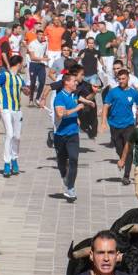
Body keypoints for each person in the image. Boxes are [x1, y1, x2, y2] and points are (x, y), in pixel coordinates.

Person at [0, 55, 29, 178]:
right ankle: (7, 163)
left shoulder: (19, 77)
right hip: (5, 108)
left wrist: (26, 90)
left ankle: (14, 159)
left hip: (17, 109)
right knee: (10, 134)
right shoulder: (4, 75)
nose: (23, 66)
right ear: (18, 63)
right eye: (22, 63)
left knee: (17, 136)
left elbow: (24, 90)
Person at [101, 69, 138, 186]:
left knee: (129, 149)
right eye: (119, 79)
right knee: (119, 149)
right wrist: (103, 122)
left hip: (129, 124)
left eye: (123, 79)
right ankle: (122, 159)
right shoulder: (113, 92)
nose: (121, 81)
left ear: (128, 79)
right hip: (114, 125)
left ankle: (126, 176)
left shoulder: (134, 93)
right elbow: (105, 107)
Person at [53, 72, 83, 201]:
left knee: (73, 159)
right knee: (61, 163)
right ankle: (65, 176)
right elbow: (60, 114)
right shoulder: (60, 97)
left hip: (73, 134)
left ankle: (70, 188)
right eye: (74, 81)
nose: (76, 83)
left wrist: (77, 119)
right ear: (66, 82)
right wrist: (76, 109)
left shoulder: (73, 95)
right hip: (60, 134)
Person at [27, 28, 48, 105]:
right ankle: (31, 98)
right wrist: (43, 58)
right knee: (33, 82)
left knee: (42, 81)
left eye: (42, 34)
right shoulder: (32, 44)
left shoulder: (44, 43)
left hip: (41, 65)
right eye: (39, 34)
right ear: (36, 35)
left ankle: (37, 98)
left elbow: (44, 53)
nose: (41, 36)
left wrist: (45, 57)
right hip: (33, 64)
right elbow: (32, 57)